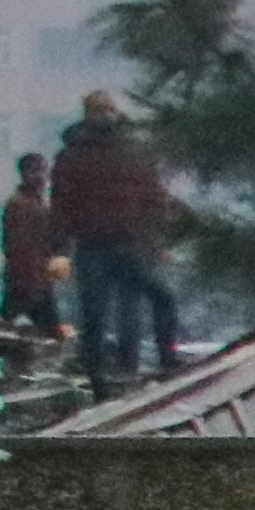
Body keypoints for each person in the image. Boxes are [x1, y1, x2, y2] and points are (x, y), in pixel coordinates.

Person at [53, 92, 178, 381]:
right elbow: (62, 204)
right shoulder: (74, 155)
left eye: (106, 109)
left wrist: (157, 239)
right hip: (95, 246)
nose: (104, 115)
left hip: (128, 244)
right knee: (96, 315)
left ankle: (158, 364)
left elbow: (153, 196)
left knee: (151, 303)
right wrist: (59, 249)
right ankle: (100, 378)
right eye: (99, 110)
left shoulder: (131, 151)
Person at [0, 157, 64, 338]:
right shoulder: (20, 206)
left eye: (43, 171)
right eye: (34, 171)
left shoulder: (39, 204)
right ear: (23, 174)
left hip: (37, 278)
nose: (40, 176)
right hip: (25, 278)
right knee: (47, 331)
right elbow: (17, 246)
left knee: (5, 324)